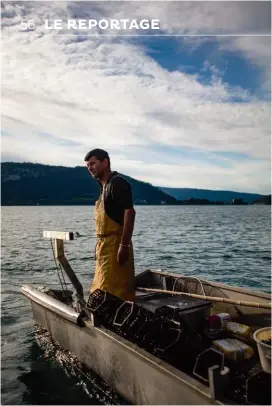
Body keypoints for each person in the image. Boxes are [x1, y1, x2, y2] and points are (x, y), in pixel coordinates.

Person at [84, 148, 136, 302]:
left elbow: (130, 212)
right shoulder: (103, 187)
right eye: (88, 166)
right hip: (104, 247)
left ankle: (118, 323)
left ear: (105, 162)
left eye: (93, 163)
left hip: (116, 246)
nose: (90, 168)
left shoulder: (117, 183)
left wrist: (124, 246)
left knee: (114, 292)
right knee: (100, 290)